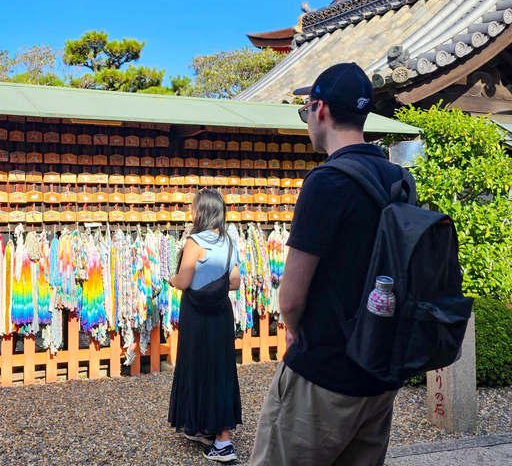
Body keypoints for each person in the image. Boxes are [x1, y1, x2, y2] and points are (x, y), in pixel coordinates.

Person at [249, 63, 404, 466]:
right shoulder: (398, 179)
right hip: (379, 372)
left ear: (319, 110)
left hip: (325, 372)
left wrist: (298, 335)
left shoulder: (326, 181)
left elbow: (292, 298)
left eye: (305, 112)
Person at [169, 189, 242, 463]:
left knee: (196, 365)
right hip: (221, 314)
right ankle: (208, 429)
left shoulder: (194, 241)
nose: (191, 211)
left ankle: (222, 442)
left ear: (202, 211)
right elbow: (234, 282)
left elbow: (184, 282)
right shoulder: (228, 241)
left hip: (197, 316)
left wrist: (171, 278)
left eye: (194, 207)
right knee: (221, 369)